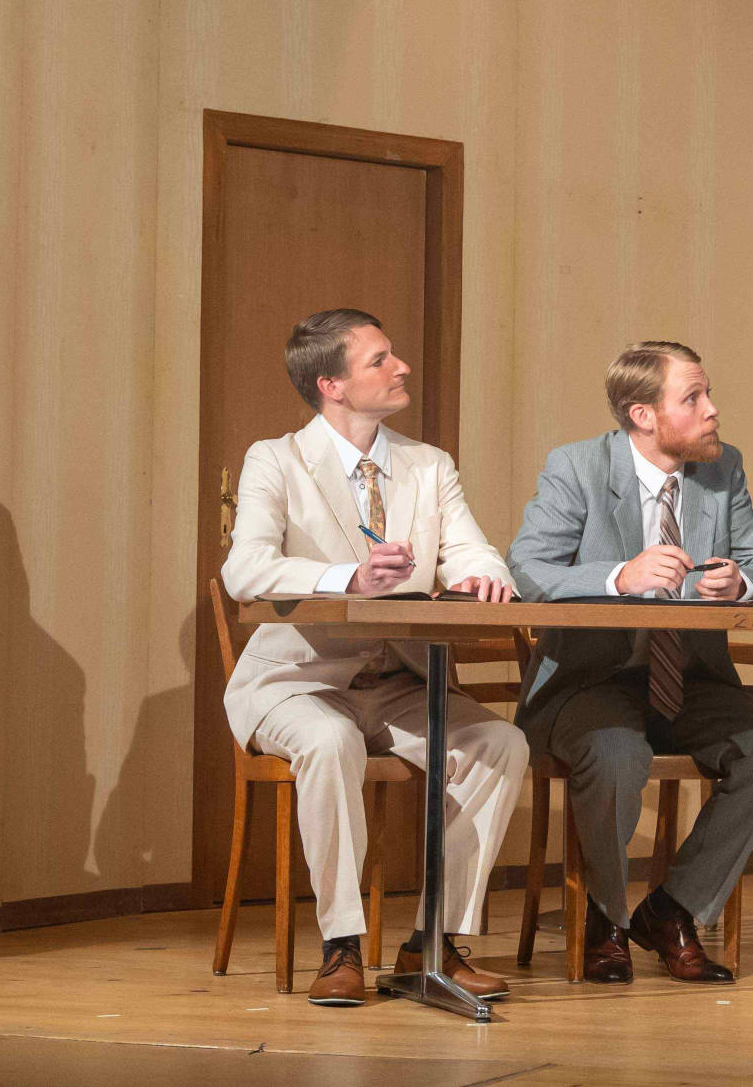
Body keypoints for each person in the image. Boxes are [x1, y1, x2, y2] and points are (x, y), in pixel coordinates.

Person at [221, 309, 527, 1007]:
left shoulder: (428, 464)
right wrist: (346, 578)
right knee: (330, 741)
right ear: (330, 385)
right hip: (296, 682)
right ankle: (342, 946)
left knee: (499, 743)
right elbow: (246, 570)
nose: (401, 367)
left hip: (398, 681)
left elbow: (472, 548)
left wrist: (483, 575)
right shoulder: (276, 459)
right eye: (380, 360)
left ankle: (432, 943)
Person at [509, 341, 753, 984]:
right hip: (590, 682)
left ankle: (670, 909)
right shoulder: (578, 466)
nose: (712, 409)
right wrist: (619, 576)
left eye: (708, 394)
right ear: (643, 415)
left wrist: (741, 583)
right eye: (693, 398)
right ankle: (603, 918)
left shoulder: (722, 471)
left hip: (687, 680)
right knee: (616, 752)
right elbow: (527, 570)